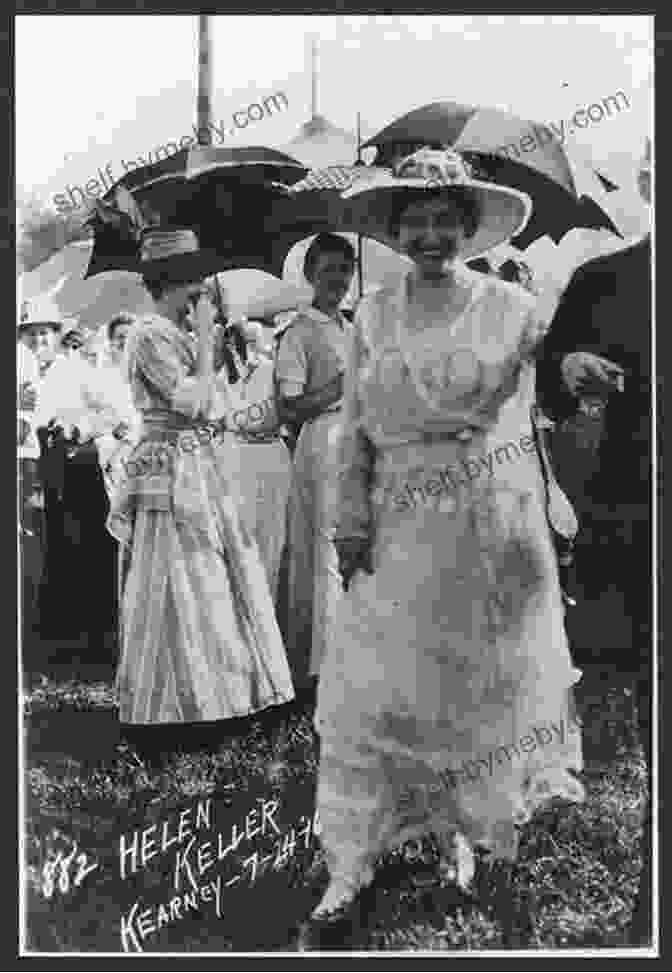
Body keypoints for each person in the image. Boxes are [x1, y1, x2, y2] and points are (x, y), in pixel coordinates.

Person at [299, 149, 585, 948]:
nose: (429, 232)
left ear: (466, 225)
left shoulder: (510, 307)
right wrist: (348, 517)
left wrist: (575, 366)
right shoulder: (374, 314)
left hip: (487, 511)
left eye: (443, 219)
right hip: (396, 516)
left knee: (473, 675)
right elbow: (353, 425)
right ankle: (350, 856)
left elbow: (553, 383)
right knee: (378, 680)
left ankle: (465, 830)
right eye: (414, 220)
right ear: (395, 230)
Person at [107, 229, 294, 745]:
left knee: (212, 569)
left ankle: (222, 694)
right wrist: (208, 345)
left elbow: (219, 409)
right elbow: (189, 402)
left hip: (198, 461)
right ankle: (173, 703)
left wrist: (218, 349)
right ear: (167, 281)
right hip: (170, 465)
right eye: (191, 279)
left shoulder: (180, 333)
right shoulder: (148, 335)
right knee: (177, 572)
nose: (200, 289)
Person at [535, 140, 652, 946]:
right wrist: (567, 362)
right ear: (652, 179)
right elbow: (543, 374)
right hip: (642, 525)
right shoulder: (606, 281)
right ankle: (657, 895)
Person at [275, 234, 356, 689]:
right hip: (323, 441)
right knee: (326, 545)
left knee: (355, 542)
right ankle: (326, 665)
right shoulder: (298, 332)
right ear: (310, 275)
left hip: (357, 439)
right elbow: (288, 408)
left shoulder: (353, 328)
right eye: (327, 272)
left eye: (344, 271)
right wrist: (340, 386)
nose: (337, 281)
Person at [228, 319, 292, 605]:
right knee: (241, 537)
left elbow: (272, 417)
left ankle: (268, 612)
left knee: (271, 540)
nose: (246, 349)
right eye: (240, 342)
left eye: (252, 342)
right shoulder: (221, 376)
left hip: (270, 456)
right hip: (237, 459)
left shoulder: (271, 370)